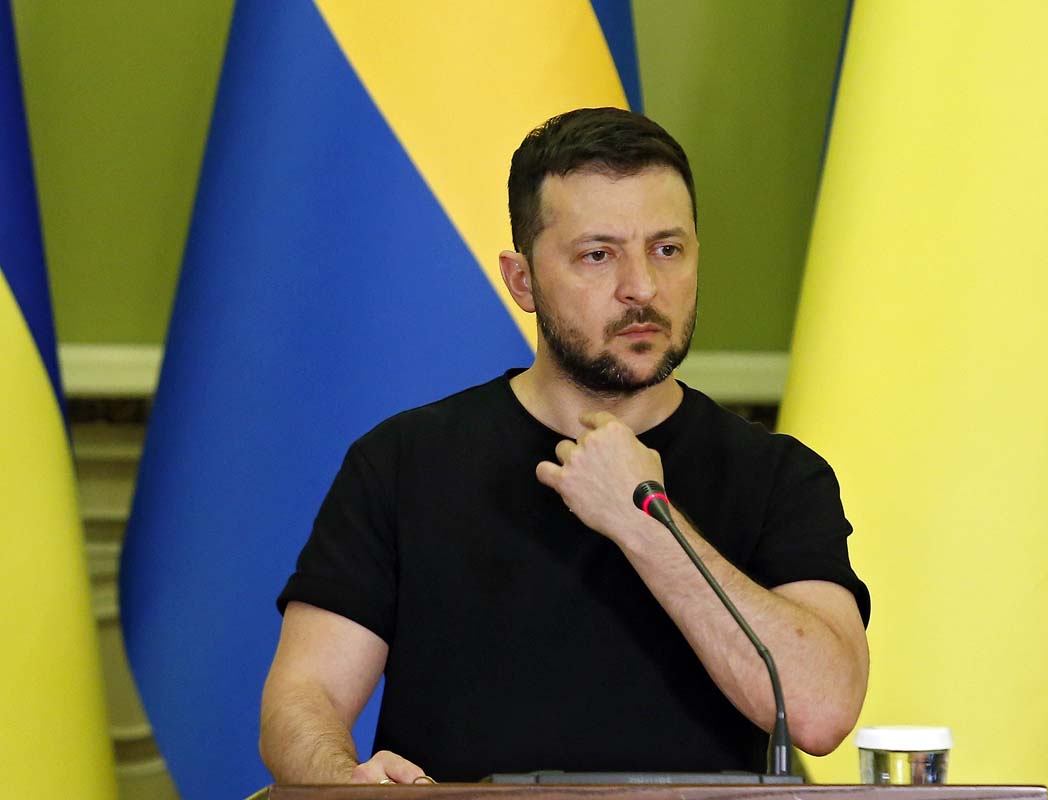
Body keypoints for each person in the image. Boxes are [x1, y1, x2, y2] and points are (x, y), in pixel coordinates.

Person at [259, 107, 870, 785]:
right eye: (597, 255)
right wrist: (343, 783)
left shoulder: (779, 477)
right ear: (521, 280)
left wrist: (642, 521)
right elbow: (303, 697)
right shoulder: (403, 463)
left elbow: (818, 712)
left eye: (667, 249)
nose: (642, 287)